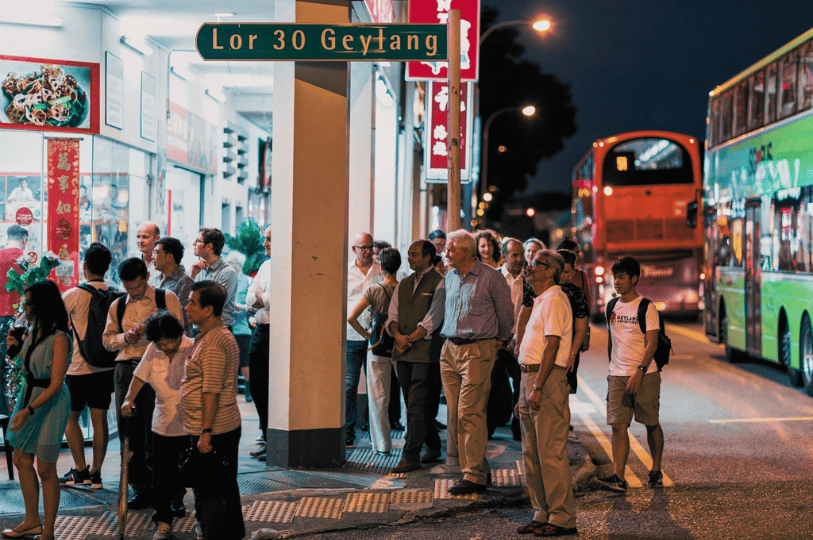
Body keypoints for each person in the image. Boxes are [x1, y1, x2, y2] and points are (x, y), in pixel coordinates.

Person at [103, 258, 183, 509]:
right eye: (129, 288)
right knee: (131, 434)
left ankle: (173, 493)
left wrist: (151, 331)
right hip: (127, 370)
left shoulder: (165, 298)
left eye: (137, 287)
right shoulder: (117, 305)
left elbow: (179, 331)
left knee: (164, 432)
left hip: (161, 367)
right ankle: (141, 489)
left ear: (147, 276)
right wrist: (126, 336)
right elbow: (107, 340)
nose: (134, 292)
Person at [440, 230, 513, 495]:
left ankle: (473, 476)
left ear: (466, 252)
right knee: (457, 415)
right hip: (449, 350)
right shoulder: (450, 276)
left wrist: (499, 340)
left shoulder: (491, 278)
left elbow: (506, 315)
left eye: (450, 250)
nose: (446, 254)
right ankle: (479, 467)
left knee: (470, 412)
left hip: (477, 351)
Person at [515, 250, 577, 537]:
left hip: (545, 378)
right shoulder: (541, 299)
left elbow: (552, 345)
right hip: (529, 376)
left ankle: (562, 517)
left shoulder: (555, 298)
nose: (528, 267)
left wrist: (538, 385)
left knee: (550, 452)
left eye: (534, 263)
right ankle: (542, 511)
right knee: (531, 452)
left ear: (550, 270)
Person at [3, 281, 71, 540]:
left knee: (45, 468)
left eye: (28, 302)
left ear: (42, 305)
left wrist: (27, 410)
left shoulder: (60, 337)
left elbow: (55, 385)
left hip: (49, 402)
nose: (24, 306)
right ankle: (32, 520)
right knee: (21, 458)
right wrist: (15, 349)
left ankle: (49, 531)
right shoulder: (33, 330)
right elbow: (27, 363)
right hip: (29, 395)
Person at [121, 311, 196, 540]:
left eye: (168, 342)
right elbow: (140, 375)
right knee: (162, 476)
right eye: (160, 344)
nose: (165, 347)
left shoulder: (193, 347)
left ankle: (204, 520)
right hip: (163, 423)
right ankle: (163, 521)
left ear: (178, 334)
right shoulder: (154, 349)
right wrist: (128, 398)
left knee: (198, 475)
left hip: (192, 423)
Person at [181, 281, 245, 540]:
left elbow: (212, 390)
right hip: (215, 427)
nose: (186, 307)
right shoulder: (208, 336)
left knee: (209, 491)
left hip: (216, 429)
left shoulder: (216, 341)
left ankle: (215, 535)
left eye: (192, 303)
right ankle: (232, 533)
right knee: (223, 486)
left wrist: (205, 432)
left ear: (208, 310)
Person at [598, 255, 664, 493]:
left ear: (634, 279)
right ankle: (618, 476)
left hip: (645, 374)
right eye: (614, 277)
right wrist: (612, 370)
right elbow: (612, 341)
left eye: (622, 277)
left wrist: (639, 371)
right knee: (618, 425)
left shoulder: (647, 307)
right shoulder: (611, 306)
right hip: (617, 374)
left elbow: (652, 344)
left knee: (651, 423)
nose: (616, 281)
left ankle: (655, 469)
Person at [58, 243, 116, 490]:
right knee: (99, 418)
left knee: (70, 418)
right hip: (106, 368)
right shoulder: (117, 295)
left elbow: (58, 329)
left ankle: (80, 470)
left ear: (84, 266)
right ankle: (97, 474)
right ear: (107, 267)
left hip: (78, 369)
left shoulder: (72, 295)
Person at [388, 240, 445, 472]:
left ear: (427, 258)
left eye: (414, 254)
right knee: (414, 403)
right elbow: (392, 315)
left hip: (425, 353)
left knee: (417, 403)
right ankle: (433, 445)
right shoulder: (404, 283)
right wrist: (398, 336)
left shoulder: (439, 284)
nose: (409, 258)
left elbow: (434, 318)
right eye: (409, 254)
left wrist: (409, 338)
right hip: (402, 351)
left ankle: (410, 455)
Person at [347, 247, 400, 454]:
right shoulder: (405, 289)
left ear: (382, 266)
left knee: (379, 397)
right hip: (402, 346)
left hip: (378, 347)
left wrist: (367, 334)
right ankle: (412, 443)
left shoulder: (374, 290)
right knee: (405, 396)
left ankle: (382, 445)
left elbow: (351, 317)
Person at [345, 232, 383, 448]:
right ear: (354, 249)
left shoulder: (381, 269)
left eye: (370, 246)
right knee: (349, 385)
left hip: (375, 337)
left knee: (375, 385)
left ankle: (373, 431)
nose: (367, 251)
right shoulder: (346, 272)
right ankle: (348, 432)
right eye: (362, 247)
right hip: (351, 335)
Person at [492, 238, 526, 441]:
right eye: (515, 255)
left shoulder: (529, 278)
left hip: (519, 341)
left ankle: (518, 429)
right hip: (496, 341)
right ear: (504, 257)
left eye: (521, 254)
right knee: (491, 385)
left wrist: (518, 339)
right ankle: (487, 429)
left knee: (520, 385)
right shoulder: (494, 277)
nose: (520, 259)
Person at [246, 226, 271, 460]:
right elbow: (248, 298)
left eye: (269, 239)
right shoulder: (265, 266)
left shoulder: (285, 266)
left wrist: (261, 296)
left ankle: (272, 439)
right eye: (265, 239)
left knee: (272, 388)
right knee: (256, 386)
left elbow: (274, 301)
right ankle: (265, 435)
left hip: (276, 333)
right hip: (260, 330)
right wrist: (262, 296)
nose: (265, 244)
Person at [0, 224, 28, 416]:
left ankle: (3, 410)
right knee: (18, 364)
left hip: (0, 315)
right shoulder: (25, 258)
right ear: (24, 238)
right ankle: (16, 410)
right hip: (19, 317)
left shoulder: (0, 256)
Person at [556, 249, 590, 395]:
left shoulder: (577, 293)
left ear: (572, 272)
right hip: (544, 348)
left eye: (567, 272)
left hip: (568, 348)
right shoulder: (542, 290)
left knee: (565, 391)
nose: (562, 275)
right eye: (560, 271)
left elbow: (581, 328)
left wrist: (572, 354)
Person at [190, 228, 238, 331]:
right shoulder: (198, 269)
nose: (194, 243)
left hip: (218, 331)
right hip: (197, 329)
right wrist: (192, 276)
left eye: (198, 241)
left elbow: (214, 306)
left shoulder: (228, 272)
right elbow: (187, 300)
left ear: (208, 246)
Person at [151, 237, 194, 334]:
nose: (152, 257)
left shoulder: (185, 282)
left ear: (169, 257)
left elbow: (184, 317)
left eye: (156, 253)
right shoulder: (155, 280)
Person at [226, 251, 253, 402]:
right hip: (228, 326)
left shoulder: (248, 281)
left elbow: (252, 305)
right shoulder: (226, 280)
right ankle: (231, 390)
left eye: (233, 263)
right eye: (229, 263)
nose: (230, 266)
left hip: (242, 327)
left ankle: (249, 390)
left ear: (240, 265)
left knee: (245, 361)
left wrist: (240, 307)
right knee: (229, 361)